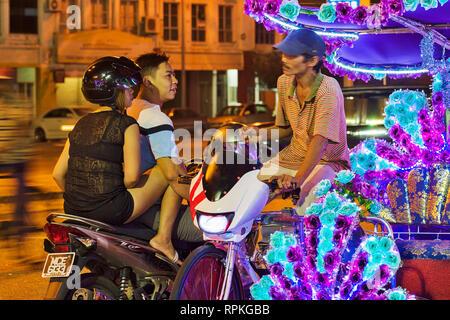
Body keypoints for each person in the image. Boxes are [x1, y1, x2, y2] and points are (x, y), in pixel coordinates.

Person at [52, 56, 186, 265]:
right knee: (167, 170)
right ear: (116, 92)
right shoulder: (127, 124)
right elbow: (131, 179)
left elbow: (58, 174)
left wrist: (85, 194)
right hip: (112, 208)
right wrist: (108, 191)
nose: (133, 90)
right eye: (129, 87)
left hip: (73, 209)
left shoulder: (80, 123)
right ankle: (163, 239)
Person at [250, 29, 351, 214]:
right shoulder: (283, 82)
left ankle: (302, 240)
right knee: (253, 187)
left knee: (305, 201)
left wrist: (298, 178)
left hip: (327, 161)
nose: (283, 59)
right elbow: (283, 129)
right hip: (293, 155)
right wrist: (250, 136)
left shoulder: (328, 89)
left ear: (312, 61)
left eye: (291, 55)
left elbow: (319, 142)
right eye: (284, 54)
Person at [126, 52, 194, 264]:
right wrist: (202, 203)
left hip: (121, 193)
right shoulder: (154, 117)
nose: (175, 81)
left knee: (178, 167)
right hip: (135, 203)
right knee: (175, 171)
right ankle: (164, 238)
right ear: (147, 82)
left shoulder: (129, 109)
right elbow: (173, 175)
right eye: (168, 76)